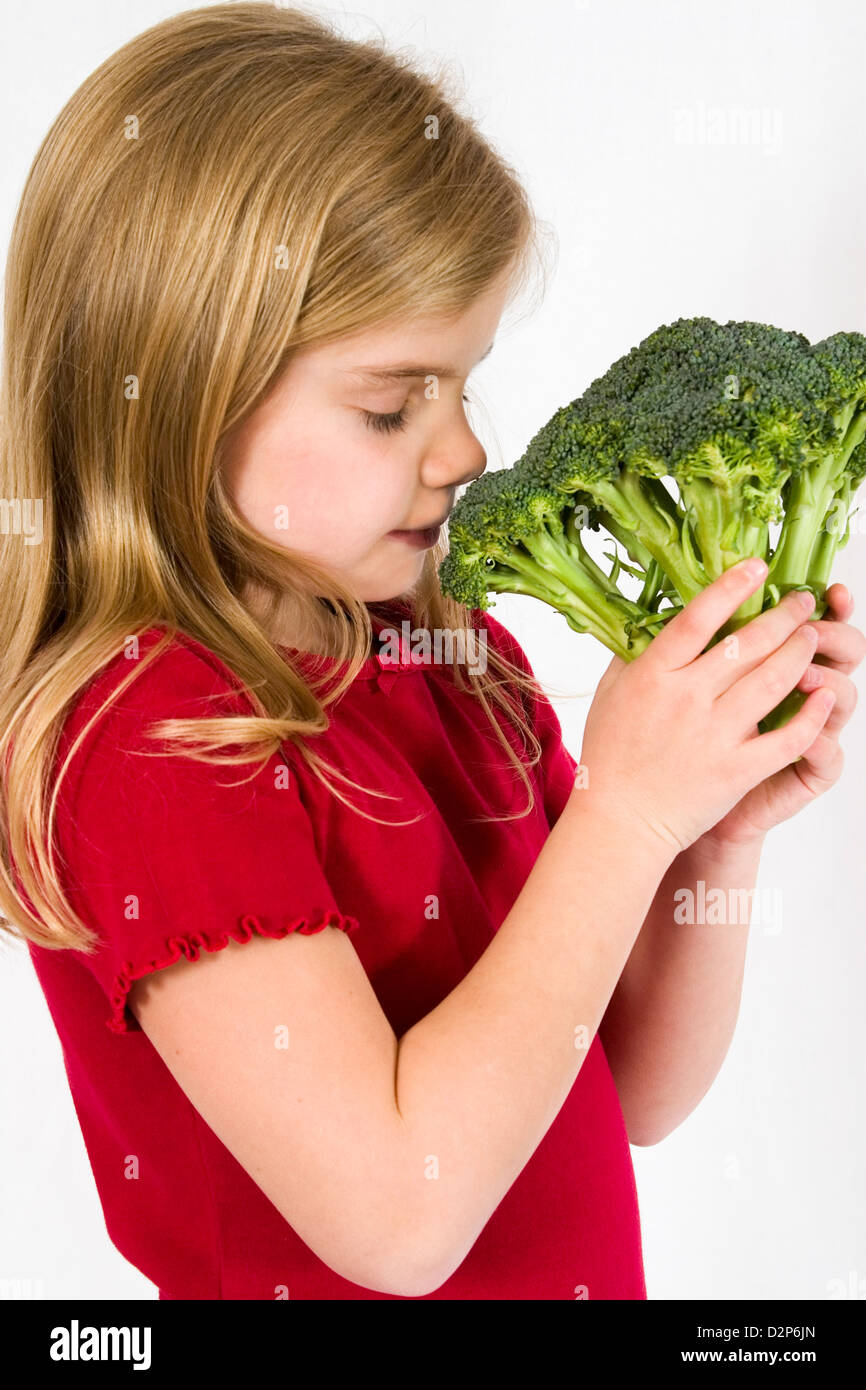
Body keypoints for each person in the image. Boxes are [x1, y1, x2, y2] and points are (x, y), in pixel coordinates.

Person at [1, 3, 862, 1301]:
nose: (460, 451)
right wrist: (622, 816)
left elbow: (629, 1084)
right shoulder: (150, 735)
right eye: (390, 402)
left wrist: (706, 835)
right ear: (176, 389)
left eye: (465, 384)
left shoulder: (450, 659)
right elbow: (400, 1216)